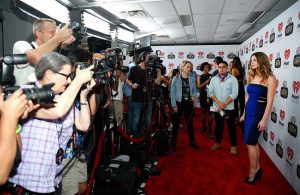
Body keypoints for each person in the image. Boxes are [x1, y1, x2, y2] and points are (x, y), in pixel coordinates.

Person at [8, 52, 94, 194]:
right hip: (28, 183)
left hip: (53, 177)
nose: (68, 81)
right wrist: (78, 82)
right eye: (66, 76)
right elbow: (57, 112)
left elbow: (83, 125)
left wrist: (83, 96)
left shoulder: (62, 98)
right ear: (49, 74)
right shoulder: (25, 93)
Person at [240, 52, 276, 184]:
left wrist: (264, 120)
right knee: (253, 142)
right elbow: (247, 97)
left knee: (249, 143)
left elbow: (270, 101)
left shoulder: (270, 78)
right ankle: (258, 168)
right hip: (249, 112)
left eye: (254, 60)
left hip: (258, 113)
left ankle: (253, 172)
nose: (252, 62)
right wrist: (244, 113)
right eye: (251, 60)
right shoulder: (252, 76)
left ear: (262, 61)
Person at [13, 18, 74, 85]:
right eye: (52, 32)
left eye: (56, 33)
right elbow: (36, 57)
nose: (55, 35)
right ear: (38, 33)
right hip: (23, 94)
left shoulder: (54, 52)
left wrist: (62, 46)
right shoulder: (21, 44)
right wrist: (58, 38)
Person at [208, 60, 239, 154]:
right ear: (217, 68)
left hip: (229, 108)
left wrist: (224, 104)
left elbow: (234, 94)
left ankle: (233, 146)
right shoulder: (213, 79)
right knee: (218, 126)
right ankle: (217, 143)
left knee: (231, 127)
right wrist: (219, 104)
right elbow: (211, 93)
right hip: (217, 107)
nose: (221, 69)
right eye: (219, 67)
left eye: (223, 67)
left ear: (227, 68)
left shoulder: (233, 79)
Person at [171, 60, 198, 149]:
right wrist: (174, 105)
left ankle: (192, 141)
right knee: (176, 124)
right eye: (187, 67)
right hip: (179, 103)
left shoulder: (192, 78)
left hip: (188, 103)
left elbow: (194, 90)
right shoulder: (176, 78)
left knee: (190, 123)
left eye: (190, 67)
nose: (189, 68)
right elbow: (173, 92)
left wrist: (194, 96)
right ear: (183, 67)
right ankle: (173, 142)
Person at [197, 62, 213, 138]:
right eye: (205, 67)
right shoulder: (199, 76)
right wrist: (206, 82)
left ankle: (209, 128)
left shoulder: (212, 76)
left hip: (211, 96)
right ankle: (203, 127)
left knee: (210, 112)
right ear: (202, 68)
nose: (206, 69)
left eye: (208, 67)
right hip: (203, 95)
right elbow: (199, 87)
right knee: (203, 111)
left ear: (210, 68)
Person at [230, 57, 246, 131]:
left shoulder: (233, 69)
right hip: (241, 87)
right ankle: (242, 119)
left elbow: (233, 80)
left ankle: (236, 120)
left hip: (236, 88)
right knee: (242, 104)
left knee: (235, 104)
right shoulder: (242, 69)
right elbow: (241, 79)